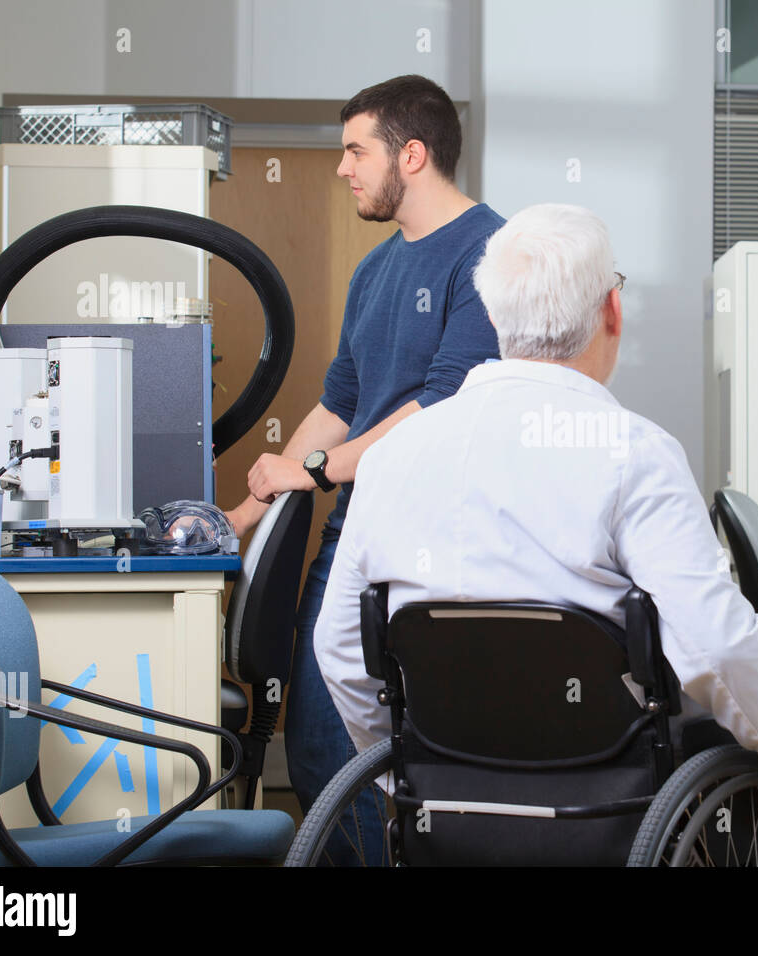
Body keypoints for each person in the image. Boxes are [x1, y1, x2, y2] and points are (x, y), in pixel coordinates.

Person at [314, 203, 758, 859]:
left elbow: (341, 651)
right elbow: (718, 648)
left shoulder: (389, 457)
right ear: (612, 311)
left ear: (493, 316)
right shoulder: (632, 451)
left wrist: (417, 769)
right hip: (632, 795)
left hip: (454, 792)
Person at [224, 75, 505, 864]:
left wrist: (312, 469)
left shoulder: (490, 254)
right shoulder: (375, 270)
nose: (343, 167)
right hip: (355, 534)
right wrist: (251, 500)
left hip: (439, 549)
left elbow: (443, 410)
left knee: (410, 768)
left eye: (357, 150)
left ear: (411, 154)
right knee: (318, 752)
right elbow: (341, 399)